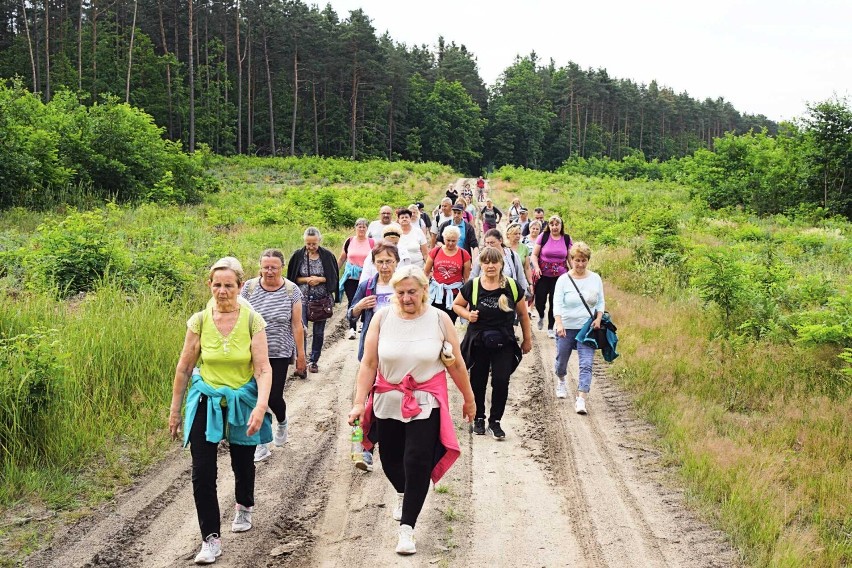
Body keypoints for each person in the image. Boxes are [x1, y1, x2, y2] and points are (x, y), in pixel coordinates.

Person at [348, 265, 476, 556]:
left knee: (416, 460)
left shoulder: (440, 319)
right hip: (388, 398)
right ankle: (403, 492)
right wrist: (358, 402)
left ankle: (407, 529)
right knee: (391, 459)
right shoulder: (382, 318)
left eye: (412, 292)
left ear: (423, 291)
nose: (406, 298)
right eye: (401, 292)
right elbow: (368, 364)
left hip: (425, 400)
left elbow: (454, 363)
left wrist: (468, 398)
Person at [169, 257, 272, 565]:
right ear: (209, 286)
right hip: (206, 399)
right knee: (202, 472)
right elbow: (185, 367)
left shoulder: (253, 320)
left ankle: (243, 505)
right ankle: (210, 538)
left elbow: (264, 369)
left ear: (241, 287)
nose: (223, 291)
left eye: (229, 285)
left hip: (241, 399)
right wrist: (175, 410)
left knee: (243, 462)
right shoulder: (199, 320)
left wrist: (261, 406)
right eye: (217, 285)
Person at [453, 248, 532, 440]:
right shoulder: (473, 285)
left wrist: (527, 339)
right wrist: (467, 315)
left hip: (504, 342)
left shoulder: (511, 286)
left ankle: (495, 421)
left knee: (501, 380)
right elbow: (456, 305)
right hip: (479, 342)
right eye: (486, 262)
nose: (490, 266)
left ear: (501, 264)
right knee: (477, 381)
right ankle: (479, 417)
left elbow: (522, 314)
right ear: (481, 264)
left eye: (494, 262)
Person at [241, 250, 306, 462]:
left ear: (281, 268)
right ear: (260, 267)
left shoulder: (291, 290)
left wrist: (301, 355)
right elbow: (239, 319)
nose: (269, 271)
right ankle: (261, 443)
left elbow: (297, 325)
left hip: (279, 352)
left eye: (274, 267)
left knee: (272, 397)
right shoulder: (248, 289)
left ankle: (282, 421)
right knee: (254, 397)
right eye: (266, 267)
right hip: (252, 352)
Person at [347, 242, 402, 473]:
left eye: (389, 261)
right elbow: (350, 315)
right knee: (368, 401)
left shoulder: (404, 286)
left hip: (398, 353)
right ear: (374, 263)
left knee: (392, 402)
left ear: (397, 262)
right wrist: (359, 306)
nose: (385, 265)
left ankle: (395, 446)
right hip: (372, 353)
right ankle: (366, 450)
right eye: (380, 261)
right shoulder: (368, 285)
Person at [553, 242, 604, 415]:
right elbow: (557, 304)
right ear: (571, 260)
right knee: (561, 362)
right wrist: (559, 323)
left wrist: (598, 319)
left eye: (583, 260)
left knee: (586, 364)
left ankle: (581, 398)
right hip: (566, 327)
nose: (580, 264)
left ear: (588, 260)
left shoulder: (595, 278)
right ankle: (561, 380)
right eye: (577, 260)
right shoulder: (563, 280)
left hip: (586, 329)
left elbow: (600, 302)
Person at [287, 227, 340, 374]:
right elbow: (292, 278)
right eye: (308, 244)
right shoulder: (298, 256)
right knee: (300, 329)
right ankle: (301, 361)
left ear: (319, 241)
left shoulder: (328, 256)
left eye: (314, 244)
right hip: (301, 299)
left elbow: (333, 278)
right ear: (304, 241)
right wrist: (307, 279)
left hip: (321, 299)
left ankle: (314, 361)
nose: (311, 247)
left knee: (318, 332)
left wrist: (319, 279)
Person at [530, 215, 572, 339]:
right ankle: (541, 315)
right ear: (549, 226)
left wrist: (574, 272)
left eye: (557, 224)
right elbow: (534, 255)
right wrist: (536, 268)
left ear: (561, 226)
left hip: (560, 276)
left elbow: (570, 257)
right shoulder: (543, 237)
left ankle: (550, 328)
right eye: (552, 224)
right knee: (540, 300)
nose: (554, 227)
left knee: (555, 302)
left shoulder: (566, 239)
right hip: (543, 274)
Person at [424, 225, 472, 323]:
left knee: (450, 322)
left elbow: (466, 278)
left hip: (454, 294)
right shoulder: (435, 251)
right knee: (434, 321)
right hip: (436, 293)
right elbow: (426, 272)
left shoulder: (464, 254)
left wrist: (467, 297)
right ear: (443, 238)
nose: (450, 243)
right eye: (448, 240)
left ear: (458, 240)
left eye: (453, 241)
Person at [338, 219, 374, 340]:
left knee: (365, 299)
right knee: (352, 300)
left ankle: (363, 322)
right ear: (355, 228)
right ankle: (351, 328)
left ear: (367, 228)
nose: (361, 229)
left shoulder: (372, 242)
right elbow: (342, 258)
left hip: (366, 277)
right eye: (359, 226)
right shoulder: (349, 241)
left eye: (364, 227)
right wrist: (335, 271)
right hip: (351, 277)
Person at [471, 229, 529, 293]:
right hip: (485, 295)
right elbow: (473, 276)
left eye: (492, 243)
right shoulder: (481, 257)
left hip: (508, 294)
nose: (489, 246)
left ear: (500, 240)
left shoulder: (513, 256)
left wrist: (524, 294)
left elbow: (521, 277)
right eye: (487, 243)